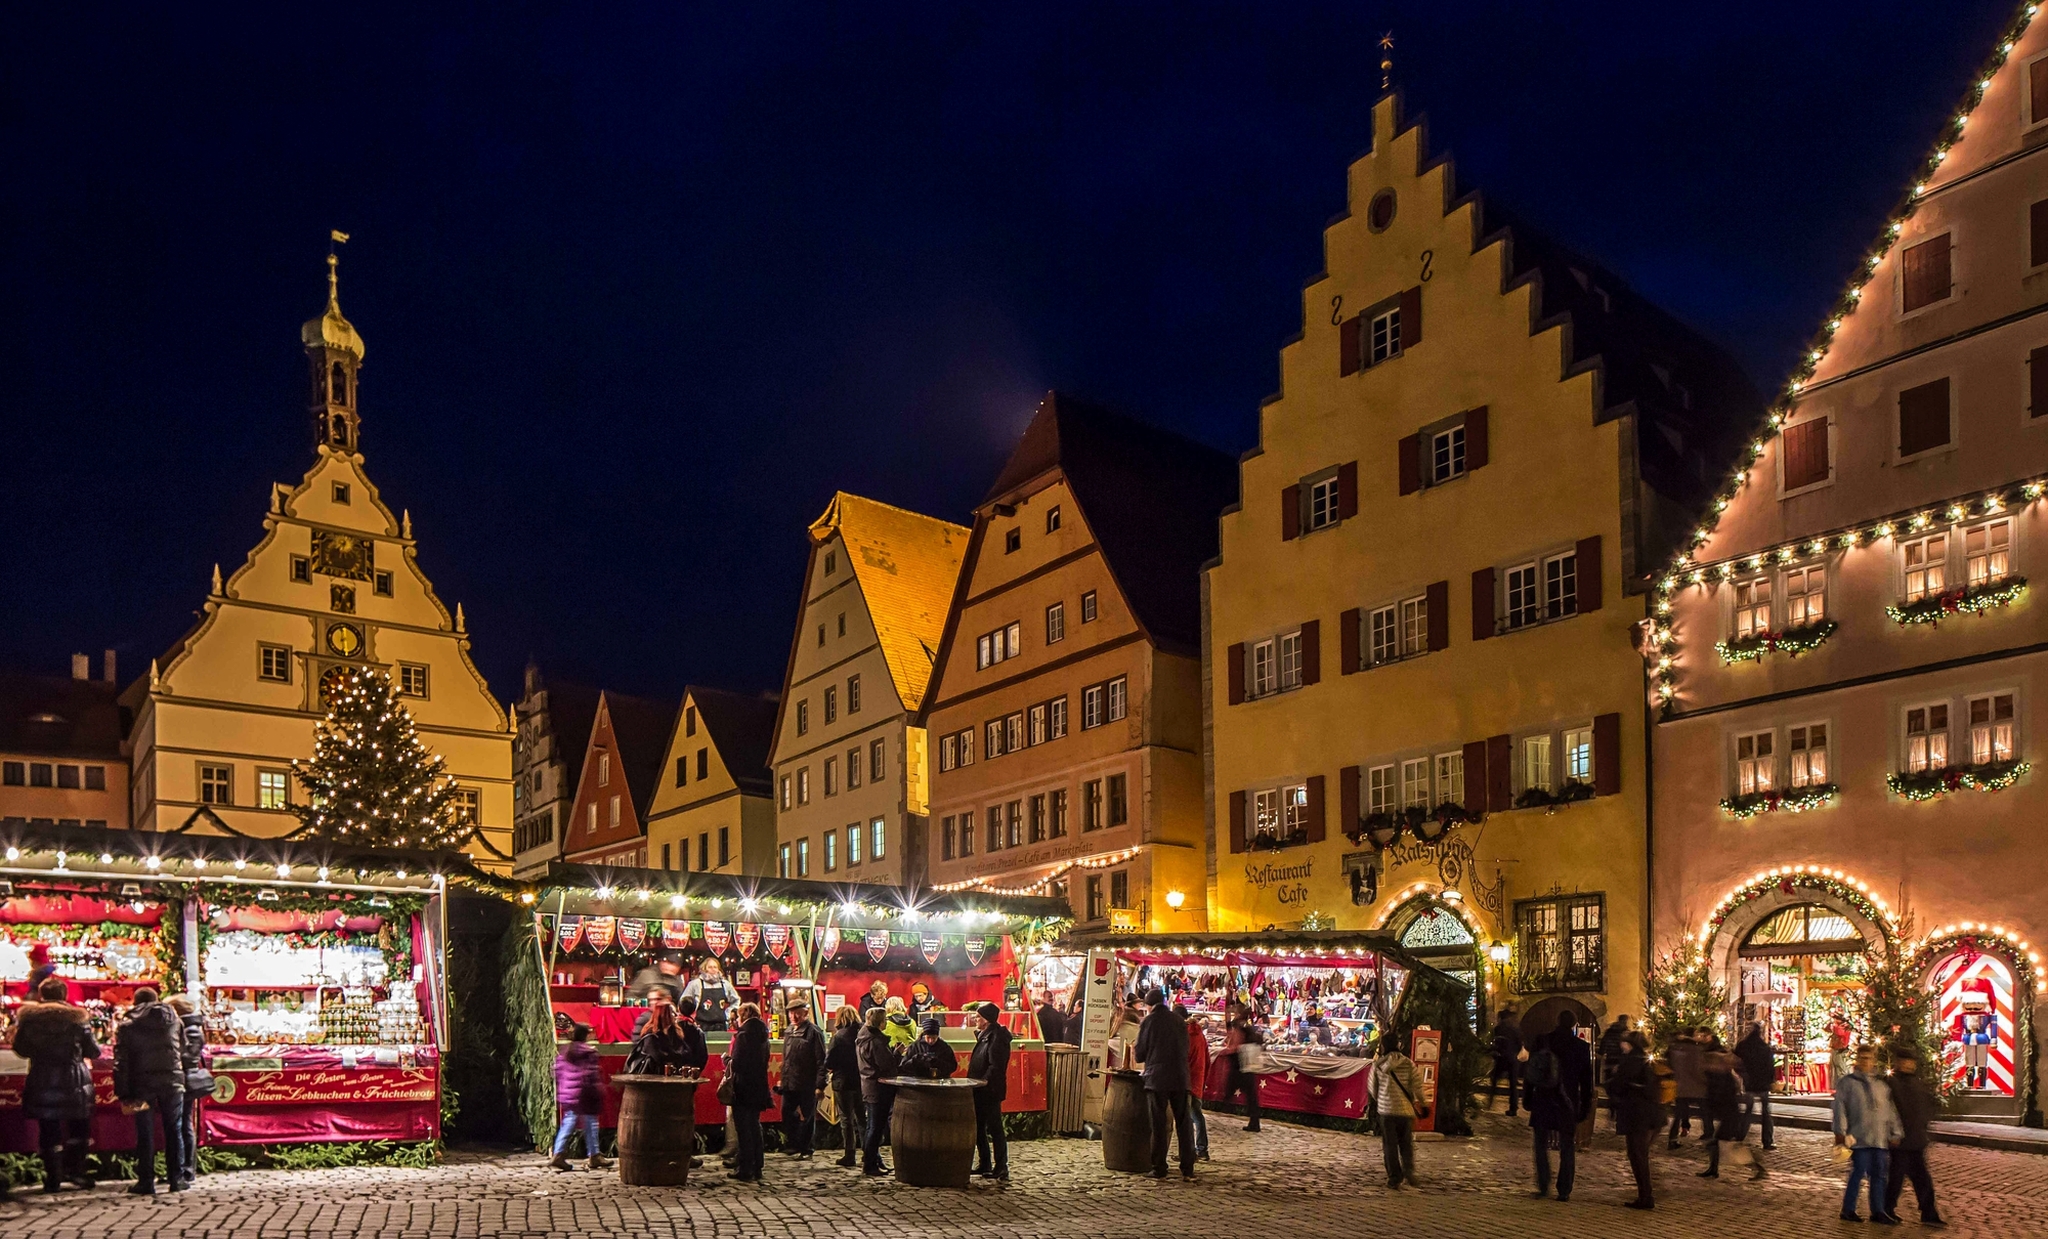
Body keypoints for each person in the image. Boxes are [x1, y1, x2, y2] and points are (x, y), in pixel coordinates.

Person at [10, 975, 100, 1193]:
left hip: (42, 1078)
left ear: (42, 995)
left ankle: (53, 1177)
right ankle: (76, 1172)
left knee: (48, 1129)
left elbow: (20, 1048)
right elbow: (93, 1051)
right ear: (64, 995)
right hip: (74, 1080)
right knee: (78, 1129)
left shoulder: (30, 1020)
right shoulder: (77, 1019)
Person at [113, 986, 186, 1195]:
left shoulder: (127, 1025)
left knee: (144, 1132)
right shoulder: (174, 1020)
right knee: (174, 1129)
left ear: (135, 1003)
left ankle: (146, 1181)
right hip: (172, 1081)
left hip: (141, 1084)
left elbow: (121, 1061)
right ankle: (176, 1178)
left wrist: (122, 1092)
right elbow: (183, 1048)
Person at [1833, 1043, 1904, 1224]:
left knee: (1880, 1175)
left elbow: (1890, 1110)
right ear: (1857, 1059)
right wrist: (1840, 1132)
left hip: (1879, 1138)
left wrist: (1895, 1132)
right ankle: (1848, 1209)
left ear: (1874, 1061)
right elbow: (1839, 1108)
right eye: (1862, 1058)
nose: (1865, 1062)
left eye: (1869, 1058)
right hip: (1859, 1137)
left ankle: (1878, 1210)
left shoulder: (1881, 1085)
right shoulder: (1848, 1083)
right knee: (1858, 1173)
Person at [1527, 1012, 1593, 1202]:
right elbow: (1586, 1082)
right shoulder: (1581, 1047)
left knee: (1540, 1144)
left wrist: (1528, 1097)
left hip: (1543, 1098)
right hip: (1567, 1101)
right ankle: (1564, 1189)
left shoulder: (1543, 1041)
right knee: (1567, 1145)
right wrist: (1585, 1106)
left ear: (1557, 1021)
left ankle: (1543, 1183)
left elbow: (1533, 1070)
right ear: (1574, 1025)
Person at [1132, 987, 1194, 1180]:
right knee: (1184, 1122)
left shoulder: (1149, 1021)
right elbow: (1186, 1048)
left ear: (1149, 1006)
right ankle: (1188, 1166)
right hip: (1180, 1077)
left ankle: (1159, 1167)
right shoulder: (1179, 1020)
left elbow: (1140, 1053)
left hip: (1157, 1078)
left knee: (1158, 1123)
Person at [1885, 1047, 1944, 1226]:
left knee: (1921, 1178)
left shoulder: (1917, 1083)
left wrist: (1924, 1126)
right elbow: (1888, 1110)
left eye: (1910, 1061)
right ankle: (1886, 1209)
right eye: (1903, 1061)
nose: (1907, 1064)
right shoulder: (1891, 1082)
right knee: (1896, 1177)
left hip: (1916, 1139)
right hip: (1900, 1140)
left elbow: (1925, 1108)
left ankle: (1928, 1212)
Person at [1607, 1030, 1661, 1210]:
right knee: (1639, 1154)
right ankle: (1645, 1194)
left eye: (1623, 1042)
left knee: (1637, 1155)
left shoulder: (1631, 1062)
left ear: (1629, 1044)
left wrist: (1613, 1078)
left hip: (1636, 1114)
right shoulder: (1644, 1060)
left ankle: (1645, 1196)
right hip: (1646, 1114)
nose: (1621, 1045)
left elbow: (1617, 1086)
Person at [1699, 1038, 1763, 1181]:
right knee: (1720, 1143)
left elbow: (1724, 1093)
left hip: (1730, 1113)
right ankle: (1713, 1169)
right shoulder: (1721, 1074)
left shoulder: (1722, 1076)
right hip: (1729, 1112)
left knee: (1728, 1145)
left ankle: (1757, 1167)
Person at [166, 994, 212, 1189]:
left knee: (184, 1123)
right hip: (183, 1077)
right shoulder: (190, 1028)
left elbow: (186, 1055)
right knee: (183, 1122)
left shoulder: (189, 1030)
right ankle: (183, 1167)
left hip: (186, 1078)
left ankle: (187, 1168)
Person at [551, 1023, 606, 1171]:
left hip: (568, 1094)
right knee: (591, 1122)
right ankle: (594, 1155)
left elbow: (556, 1072)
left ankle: (559, 1153)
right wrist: (599, 1090)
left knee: (569, 1122)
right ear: (586, 1036)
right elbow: (591, 1074)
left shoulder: (564, 1052)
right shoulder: (589, 1053)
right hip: (584, 1094)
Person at [726, 1002, 772, 1183]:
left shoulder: (744, 1035)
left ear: (744, 1016)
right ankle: (757, 1165)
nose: (736, 1019)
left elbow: (737, 1064)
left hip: (743, 1086)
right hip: (758, 1085)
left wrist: (727, 1059)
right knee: (754, 1126)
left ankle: (745, 1168)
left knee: (743, 1129)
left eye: (738, 1016)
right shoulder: (762, 1034)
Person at [1370, 1037, 1424, 1189]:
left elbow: (1373, 1089)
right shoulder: (1408, 1063)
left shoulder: (1378, 1065)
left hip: (1387, 1111)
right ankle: (1409, 1173)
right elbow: (1417, 1086)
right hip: (1405, 1110)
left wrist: (1382, 1100)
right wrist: (1423, 1104)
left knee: (1390, 1145)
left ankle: (1394, 1177)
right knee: (1406, 1144)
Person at [856, 1005, 903, 1176]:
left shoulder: (863, 1037)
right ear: (880, 1022)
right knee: (876, 1128)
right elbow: (887, 1066)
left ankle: (874, 1161)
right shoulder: (875, 1042)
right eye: (885, 1019)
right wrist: (897, 1054)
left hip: (868, 1085)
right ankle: (870, 1164)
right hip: (879, 1087)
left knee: (871, 1127)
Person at [968, 1002, 1012, 1181]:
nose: (975, 1019)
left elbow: (996, 1064)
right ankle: (985, 1163)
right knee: (979, 1128)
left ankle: (1001, 1166)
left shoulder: (996, 1038)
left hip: (989, 1090)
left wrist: (984, 1080)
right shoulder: (985, 1035)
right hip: (980, 1089)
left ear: (986, 1020)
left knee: (995, 1128)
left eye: (978, 1017)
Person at [778, 998, 826, 1159]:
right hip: (790, 1081)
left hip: (807, 1082)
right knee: (786, 1112)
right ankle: (793, 1144)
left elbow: (821, 1061)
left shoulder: (814, 1032)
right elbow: (787, 1058)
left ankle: (807, 1148)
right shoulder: (788, 1031)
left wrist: (820, 1085)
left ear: (805, 1013)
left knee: (808, 1116)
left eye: (797, 1013)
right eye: (791, 1013)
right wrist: (783, 1078)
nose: (793, 1016)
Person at [824, 1007, 866, 1167]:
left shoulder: (838, 1037)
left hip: (843, 1082)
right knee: (862, 1118)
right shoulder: (863, 1033)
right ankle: (868, 1152)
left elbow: (829, 1062)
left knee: (846, 1119)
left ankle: (850, 1154)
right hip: (861, 1081)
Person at [1734, 1021, 1780, 1151]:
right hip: (1763, 1084)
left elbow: (1736, 1061)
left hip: (1750, 1083)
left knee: (1748, 1111)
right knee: (1766, 1113)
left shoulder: (1743, 1046)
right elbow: (1770, 1066)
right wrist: (1771, 1081)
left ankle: (1739, 1136)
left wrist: (1743, 1075)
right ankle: (1767, 1141)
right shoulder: (1764, 1047)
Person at [1220, 1002, 1263, 1132]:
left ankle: (1226, 1109)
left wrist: (1226, 1052)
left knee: (1230, 1091)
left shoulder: (1239, 1026)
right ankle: (1254, 1122)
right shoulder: (1248, 1026)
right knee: (1251, 1095)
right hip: (1247, 1064)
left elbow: (1236, 1044)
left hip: (1239, 1064)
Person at [1179, 1003, 1211, 1161]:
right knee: (1196, 1114)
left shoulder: (1184, 1035)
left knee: (1190, 1116)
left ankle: (1194, 1150)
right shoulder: (1200, 1034)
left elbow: (1181, 1059)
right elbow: (1207, 1058)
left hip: (1187, 1080)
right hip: (1198, 1079)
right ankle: (1200, 1149)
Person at [1666, 1028, 1706, 1148]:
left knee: (1678, 1115)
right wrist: (1704, 1081)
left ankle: (1672, 1139)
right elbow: (1696, 1069)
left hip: (1680, 1086)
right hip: (1695, 1086)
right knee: (1705, 1113)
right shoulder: (1695, 1051)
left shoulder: (1674, 1051)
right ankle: (1710, 1138)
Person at [681, 960, 738, 1032]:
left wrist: (728, 1013)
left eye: (715, 967)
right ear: (704, 969)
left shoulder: (725, 984)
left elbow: (736, 1000)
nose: (713, 969)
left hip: (720, 1026)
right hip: (701, 1026)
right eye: (710, 967)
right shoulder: (695, 984)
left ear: (718, 969)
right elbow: (683, 1002)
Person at [1596, 1014, 1631, 1127]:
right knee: (1620, 1089)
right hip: (1621, 1064)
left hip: (1609, 1062)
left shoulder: (1609, 1032)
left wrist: (1602, 1054)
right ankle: (1618, 1110)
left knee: (1610, 1088)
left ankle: (1612, 1109)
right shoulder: (1626, 1034)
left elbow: (1603, 1047)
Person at [1488, 1007, 1524, 1116]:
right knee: (1513, 1085)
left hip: (1501, 1058)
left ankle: (1490, 1101)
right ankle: (1513, 1108)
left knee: (1494, 1079)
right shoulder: (1515, 1028)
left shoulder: (1498, 1028)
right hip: (1512, 1059)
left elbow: (1496, 1043)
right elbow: (1519, 1044)